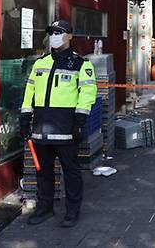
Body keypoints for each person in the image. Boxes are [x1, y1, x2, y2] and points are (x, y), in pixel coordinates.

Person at [19, 20, 97, 227]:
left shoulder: (81, 64)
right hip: (41, 129)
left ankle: (72, 211)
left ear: (69, 36)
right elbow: (29, 93)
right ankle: (45, 208)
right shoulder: (40, 63)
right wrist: (25, 119)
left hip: (66, 130)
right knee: (43, 172)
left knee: (70, 171)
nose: (54, 36)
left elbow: (87, 94)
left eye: (59, 32)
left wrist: (79, 122)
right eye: (52, 32)